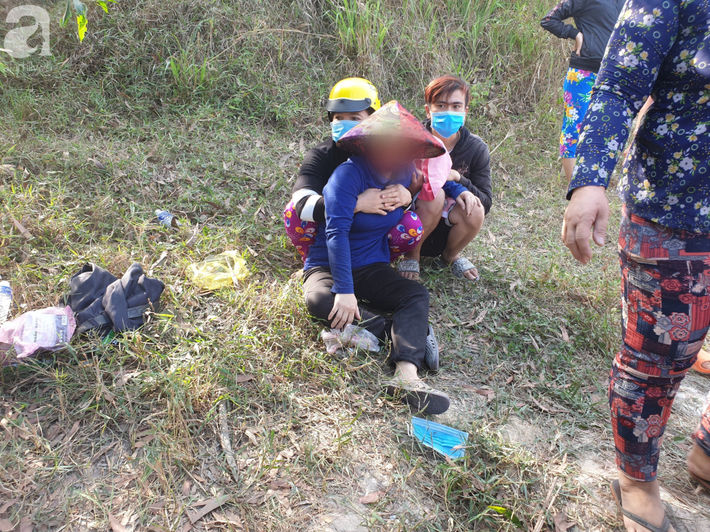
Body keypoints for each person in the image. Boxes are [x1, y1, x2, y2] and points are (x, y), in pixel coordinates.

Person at [561, 1, 710, 530]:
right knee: (658, 357)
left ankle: (706, 452)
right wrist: (589, 179)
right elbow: (619, 84)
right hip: (678, 208)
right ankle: (637, 478)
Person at [303, 101, 450, 415]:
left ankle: (407, 375)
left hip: (371, 265)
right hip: (328, 263)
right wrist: (343, 290)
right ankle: (403, 332)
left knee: (415, 294)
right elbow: (335, 233)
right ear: (368, 143)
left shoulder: (405, 174)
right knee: (318, 300)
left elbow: (403, 211)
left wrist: (408, 197)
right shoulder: (347, 175)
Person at [285, 78, 423, 261]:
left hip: (373, 231)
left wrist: (406, 196)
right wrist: (356, 203)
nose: (345, 123)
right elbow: (302, 205)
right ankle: (314, 260)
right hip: (329, 230)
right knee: (293, 214)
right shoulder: (321, 155)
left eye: (355, 118)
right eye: (339, 118)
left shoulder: (390, 152)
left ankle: (377, 261)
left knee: (411, 224)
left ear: (374, 120)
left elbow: (407, 198)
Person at [398, 75, 492, 282]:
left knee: (475, 206)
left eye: (456, 106)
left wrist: (459, 179)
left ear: (465, 112)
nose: (449, 112)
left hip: (447, 227)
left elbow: (486, 202)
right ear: (428, 110)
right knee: (435, 194)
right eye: (441, 105)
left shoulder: (476, 148)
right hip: (408, 220)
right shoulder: (411, 139)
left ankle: (450, 256)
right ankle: (411, 255)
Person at [541, 0, 623, 183]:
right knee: (573, 128)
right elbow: (548, 19)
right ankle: (575, 188)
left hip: (613, 75)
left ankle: (593, 182)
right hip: (583, 73)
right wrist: (575, 33)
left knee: (604, 130)